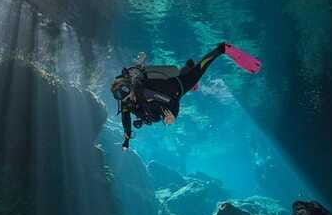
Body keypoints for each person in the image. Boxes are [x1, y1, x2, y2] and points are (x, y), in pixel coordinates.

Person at [111, 42, 261, 150]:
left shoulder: (144, 92)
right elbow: (125, 118)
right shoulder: (126, 101)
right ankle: (187, 68)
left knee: (197, 72)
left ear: (131, 88)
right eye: (121, 98)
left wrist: (173, 116)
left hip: (175, 88)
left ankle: (222, 49)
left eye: (125, 94)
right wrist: (127, 138)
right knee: (189, 75)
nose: (126, 99)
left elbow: (171, 101)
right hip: (162, 97)